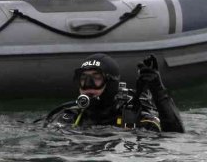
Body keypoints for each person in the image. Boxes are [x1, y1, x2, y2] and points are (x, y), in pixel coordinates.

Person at [44, 53, 185, 132]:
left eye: (96, 79)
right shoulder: (68, 118)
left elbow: (174, 137)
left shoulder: (135, 119)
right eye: (84, 79)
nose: (88, 86)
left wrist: (158, 90)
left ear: (111, 84)